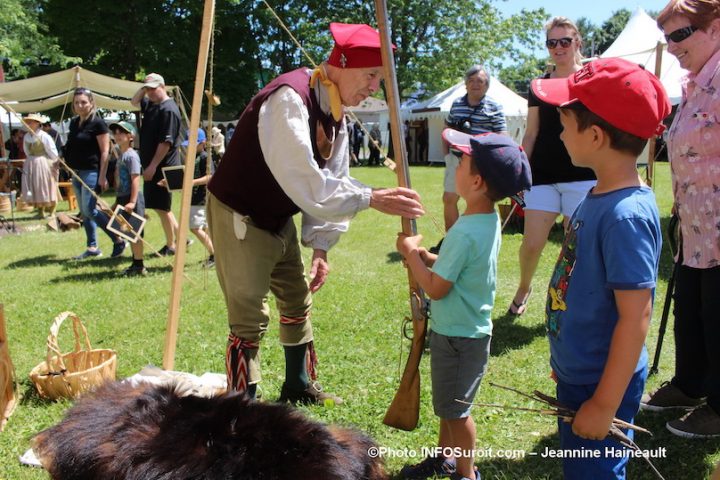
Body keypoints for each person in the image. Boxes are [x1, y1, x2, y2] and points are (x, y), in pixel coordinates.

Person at [206, 22, 424, 405]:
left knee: (295, 297)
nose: (375, 87)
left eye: (380, 78)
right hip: (239, 212)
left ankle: (298, 385)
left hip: (276, 216)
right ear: (341, 63)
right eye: (372, 75)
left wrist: (320, 248)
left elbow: (332, 176)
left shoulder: (335, 107)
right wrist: (371, 197)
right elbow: (305, 182)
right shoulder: (289, 99)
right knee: (249, 315)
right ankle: (242, 408)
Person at [532, 58, 670, 478]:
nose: (558, 133)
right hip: (582, 371)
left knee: (595, 469)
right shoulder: (599, 193)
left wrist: (604, 404)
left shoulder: (625, 215)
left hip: (601, 381)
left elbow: (636, 317)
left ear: (594, 135)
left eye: (564, 124)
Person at [397, 130, 530, 480]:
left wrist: (412, 256)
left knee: (457, 411)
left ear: (475, 180)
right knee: (448, 403)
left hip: (457, 336)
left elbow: (437, 289)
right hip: (463, 333)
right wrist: (429, 256)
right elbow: (456, 266)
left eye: (462, 161)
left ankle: (466, 473)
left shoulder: (465, 231)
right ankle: (445, 456)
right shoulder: (485, 222)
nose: (454, 166)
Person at [641, 0, 720, 439]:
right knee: (692, 308)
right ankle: (690, 384)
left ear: (715, 28)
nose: (671, 47)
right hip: (695, 224)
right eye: (667, 37)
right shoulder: (696, 82)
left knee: (717, 312)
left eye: (680, 35)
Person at [508, 17, 597, 316]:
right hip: (542, 175)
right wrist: (520, 170)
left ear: (577, 42)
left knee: (576, 247)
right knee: (532, 243)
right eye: (552, 42)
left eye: (564, 41)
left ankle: (565, 298)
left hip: (582, 174)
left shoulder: (590, 79)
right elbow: (531, 132)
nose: (558, 47)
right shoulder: (539, 85)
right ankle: (524, 287)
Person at [441, 65, 507, 234]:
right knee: (449, 198)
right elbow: (447, 129)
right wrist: (447, 155)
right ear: (466, 84)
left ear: (487, 85)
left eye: (480, 81)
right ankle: (451, 240)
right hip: (457, 159)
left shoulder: (495, 106)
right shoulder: (456, 104)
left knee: (482, 202)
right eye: (471, 81)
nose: (475, 84)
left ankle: (483, 238)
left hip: (481, 161)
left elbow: (502, 135)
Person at [64, 87, 126, 260]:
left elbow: (105, 152)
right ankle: (92, 247)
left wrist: (102, 177)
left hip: (91, 171)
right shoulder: (74, 123)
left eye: (83, 102)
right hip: (76, 172)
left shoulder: (98, 124)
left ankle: (118, 240)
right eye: (77, 103)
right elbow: (71, 145)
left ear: (91, 103)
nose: (80, 105)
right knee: (84, 211)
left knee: (90, 210)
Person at [131, 73, 181, 256]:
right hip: (154, 166)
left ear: (163, 86)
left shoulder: (168, 109)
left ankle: (172, 245)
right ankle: (179, 239)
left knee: (163, 207)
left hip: (163, 167)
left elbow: (165, 143)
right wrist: (144, 87)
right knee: (161, 208)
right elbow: (133, 101)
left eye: (153, 88)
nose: (150, 92)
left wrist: (152, 166)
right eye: (148, 89)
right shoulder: (152, 104)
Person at [160, 128, 215, 267]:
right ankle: (216, 253)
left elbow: (210, 177)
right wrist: (170, 182)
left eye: (194, 143)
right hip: (193, 198)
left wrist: (193, 182)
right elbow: (185, 178)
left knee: (195, 228)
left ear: (203, 143)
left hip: (201, 198)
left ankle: (215, 256)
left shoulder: (204, 157)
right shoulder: (192, 158)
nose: (190, 147)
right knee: (204, 228)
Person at [109, 121, 147, 276]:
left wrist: (132, 201)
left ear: (130, 136)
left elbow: (135, 179)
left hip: (133, 198)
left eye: (121, 132)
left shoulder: (131, 156)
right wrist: (118, 201)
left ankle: (139, 265)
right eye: (116, 132)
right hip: (123, 197)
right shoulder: (121, 155)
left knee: (135, 232)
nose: (117, 135)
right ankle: (135, 262)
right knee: (127, 232)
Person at [21, 113, 59, 218]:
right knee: (34, 187)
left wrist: (54, 162)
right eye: (27, 122)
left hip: (43, 163)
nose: (29, 124)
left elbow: (52, 151)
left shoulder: (44, 136)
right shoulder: (27, 136)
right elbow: (26, 151)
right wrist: (30, 160)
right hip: (31, 163)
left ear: (37, 123)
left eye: (31, 122)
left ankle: (52, 211)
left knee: (46, 186)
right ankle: (40, 211)